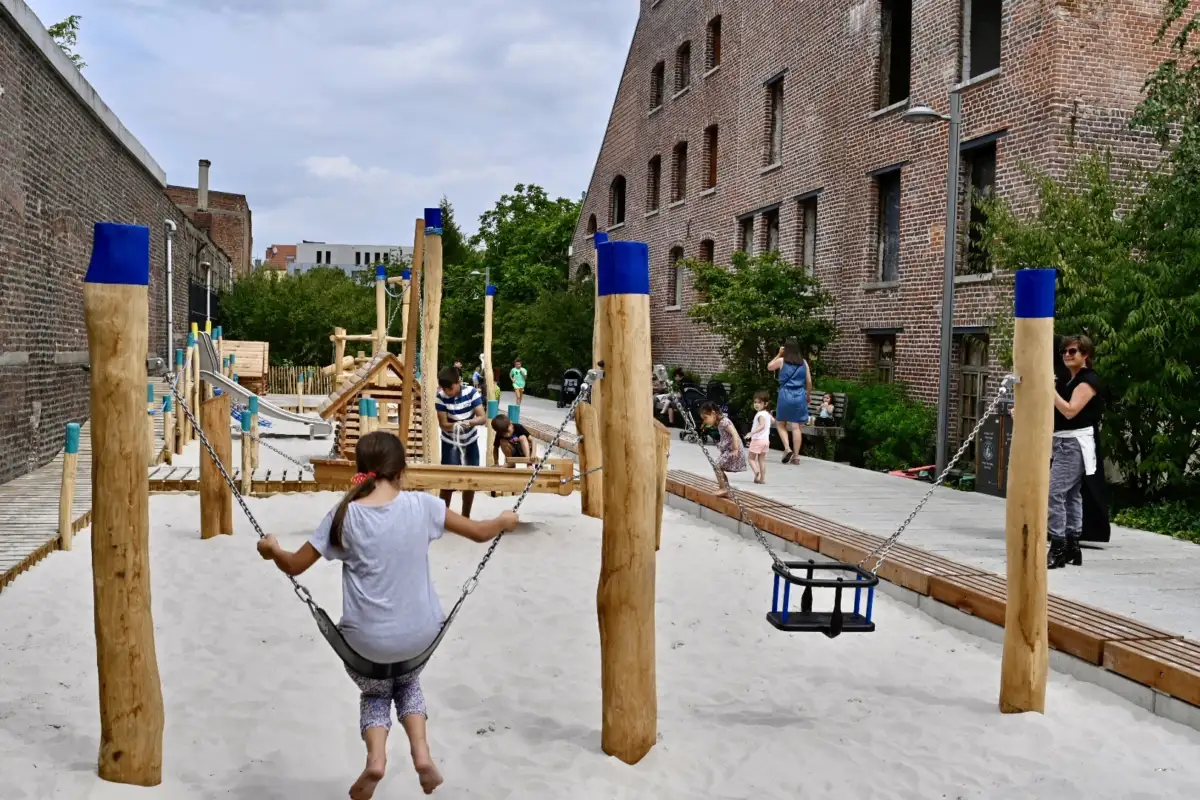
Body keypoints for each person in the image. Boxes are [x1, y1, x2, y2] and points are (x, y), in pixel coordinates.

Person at [255, 431, 520, 798]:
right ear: (401, 471)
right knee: (408, 682)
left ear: (361, 470)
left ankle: (375, 760)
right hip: (419, 639)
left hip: (366, 648)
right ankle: (422, 753)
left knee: (376, 692)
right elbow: (478, 532)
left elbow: (295, 565)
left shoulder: (343, 516)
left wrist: (272, 549)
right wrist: (504, 521)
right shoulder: (423, 507)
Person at [1048, 334, 1104, 569]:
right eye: (1065, 352)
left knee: (1055, 493)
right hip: (1065, 441)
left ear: (1085, 355)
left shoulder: (1087, 380)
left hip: (1073, 443)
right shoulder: (1069, 380)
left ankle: (1058, 545)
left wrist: (1049, 391)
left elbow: (1070, 411)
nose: (1067, 355)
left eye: (1073, 351)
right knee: (1071, 494)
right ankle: (1072, 545)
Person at [434, 366, 487, 518]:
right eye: (445, 389)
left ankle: (465, 517)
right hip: (450, 442)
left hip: (470, 440)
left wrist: (470, 422)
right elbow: (443, 424)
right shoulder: (440, 397)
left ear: (459, 382)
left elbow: (482, 417)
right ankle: (443, 517)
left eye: (450, 388)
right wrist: (456, 425)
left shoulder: (471, 393)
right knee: (448, 480)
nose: (448, 392)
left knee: (470, 479)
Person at [767, 337, 813, 464]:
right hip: (799, 395)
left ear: (786, 349)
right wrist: (808, 395)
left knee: (780, 423)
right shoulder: (804, 363)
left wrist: (779, 354)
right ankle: (797, 456)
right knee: (796, 426)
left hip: (785, 395)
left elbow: (769, 367)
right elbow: (809, 382)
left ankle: (787, 448)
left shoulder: (782, 361)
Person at [699, 401, 746, 497]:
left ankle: (724, 488)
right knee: (718, 466)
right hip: (729, 450)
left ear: (713, 413)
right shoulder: (720, 423)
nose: (705, 421)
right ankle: (725, 488)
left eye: (705, 418)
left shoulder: (724, 422)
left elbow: (734, 434)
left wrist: (735, 449)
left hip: (733, 450)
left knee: (717, 466)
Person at [743, 391, 773, 484]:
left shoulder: (760, 415)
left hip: (757, 440)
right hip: (766, 441)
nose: (756, 404)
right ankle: (762, 479)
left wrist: (751, 433)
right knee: (762, 460)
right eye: (755, 402)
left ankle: (756, 472)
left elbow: (762, 425)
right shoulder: (767, 414)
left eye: (759, 403)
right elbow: (773, 421)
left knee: (751, 458)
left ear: (766, 404)